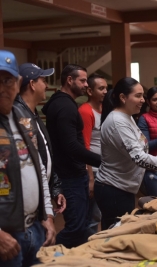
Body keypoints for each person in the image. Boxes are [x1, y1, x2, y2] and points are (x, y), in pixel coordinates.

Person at [94, 77, 157, 230]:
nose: (142, 100)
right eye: (138, 96)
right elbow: (140, 158)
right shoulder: (117, 121)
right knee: (114, 236)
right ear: (123, 97)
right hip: (113, 189)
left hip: (124, 188)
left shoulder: (127, 117)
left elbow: (142, 147)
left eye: (142, 96)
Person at [0, 50, 55, 266]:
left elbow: (38, 169)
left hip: (35, 229)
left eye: (7, 80)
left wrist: (48, 215)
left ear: (18, 82)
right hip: (5, 238)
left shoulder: (24, 119)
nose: (2, 88)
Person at [42, 64, 101, 248]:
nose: (86, 85)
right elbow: (71, 146)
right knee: (76, 227)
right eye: (82, 80)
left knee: (82, 227)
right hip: (69, 176)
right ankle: (45, 257)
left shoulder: (64, 103)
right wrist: (101, 161)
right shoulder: (65, 106)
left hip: (73, 173)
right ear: (70, 80)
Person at [14, 63, 66, 214]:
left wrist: (55, 188)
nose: (47, 85)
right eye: (43, 80)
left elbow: (45, 156)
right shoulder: (19, 116)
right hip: (26, 204)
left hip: (39, 197)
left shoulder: (32, 114)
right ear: (32, 84)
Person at [78, 73, 107, 233]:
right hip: (93, 171)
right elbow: (85, 147)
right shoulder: (85, 111)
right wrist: (90, 179)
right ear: (90, 91)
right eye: (100, 88)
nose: (104, 92)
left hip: (103, 169)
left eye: (106, 88)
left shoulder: (104, 110)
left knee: (101, 213)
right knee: (93, 216)